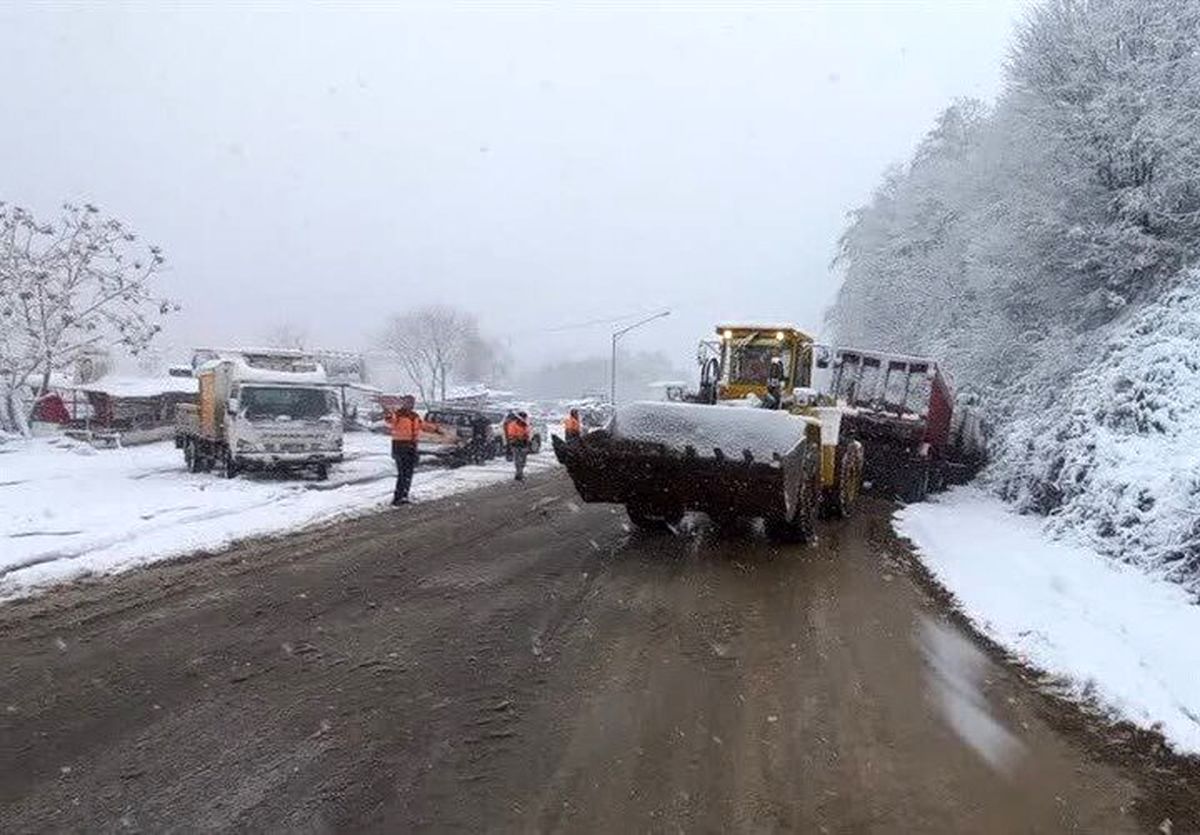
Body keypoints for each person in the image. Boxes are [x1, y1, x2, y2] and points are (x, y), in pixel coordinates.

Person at [385, 396, 440, 505]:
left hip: (411, 446)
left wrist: (436, 429)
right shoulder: (398, 414)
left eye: (412, 402)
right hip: (399, 446)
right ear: (404, 403)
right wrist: (387, 413)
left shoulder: (414, 416)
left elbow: (422, 426)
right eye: (408, 402)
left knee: (409, 473)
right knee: (402, 473)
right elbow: (390, 420)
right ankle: (398, 497)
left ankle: (405, 495)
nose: (411, 404)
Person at [504, 410, 531, 480]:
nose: (525, 419)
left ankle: (520, 472)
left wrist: (527, 440)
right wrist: (517, 440)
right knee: (518, 459)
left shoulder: (525, 425)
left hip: (524, 444)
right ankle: (519, 474)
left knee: (523, 460)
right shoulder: (513, 424)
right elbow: (511, 434)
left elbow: (527, 433)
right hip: (516, 444)